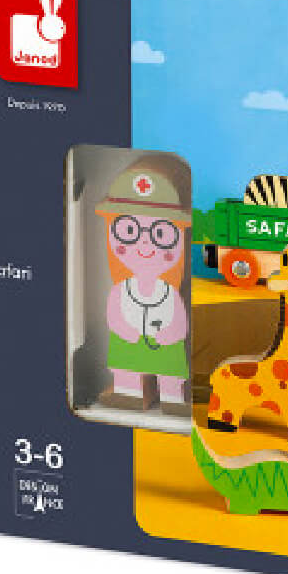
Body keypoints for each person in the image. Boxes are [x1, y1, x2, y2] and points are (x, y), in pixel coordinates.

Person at [95, 164, 190, 414]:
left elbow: (180, 323)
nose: (145, 243)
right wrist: (125, 330)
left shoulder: (169, 293)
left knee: (170, 372)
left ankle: (171, 395)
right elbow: (114, 317)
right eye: (129, 230)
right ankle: (130, 391)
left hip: (164, 347)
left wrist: (170, 334)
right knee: (126, 371)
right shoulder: (120, 291)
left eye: (160, 234)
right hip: (129, 347)